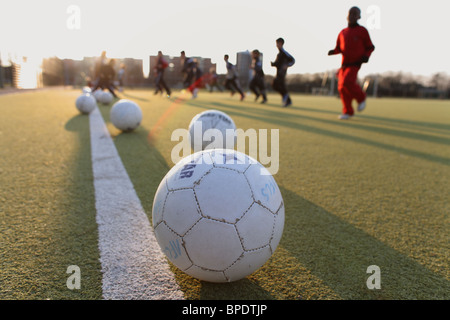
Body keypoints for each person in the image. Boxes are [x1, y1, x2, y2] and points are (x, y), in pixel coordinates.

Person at [328, 6, 375, 120]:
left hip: (355, 63)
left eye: (355, 14)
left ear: (359, 17)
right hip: (344, 64)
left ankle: (361, 98)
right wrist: (333, 52)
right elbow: (339, 48)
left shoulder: (362, 31)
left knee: (347, 81)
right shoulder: (342, 32)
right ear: (347, 16)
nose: (352, 16)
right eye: (350, 13)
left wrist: (366, 56)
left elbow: (370, 47)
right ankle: (348, 111)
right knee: (341, 87)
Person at [271, 38, 295, 107]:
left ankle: (285, 96)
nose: (276, 45)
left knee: (276, 84)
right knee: (279, 86)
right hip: (278, 72)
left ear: (281, 43)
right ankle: (288, 100)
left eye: (277, 43)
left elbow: (293, 60)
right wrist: (273, 64)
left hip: (282, 73)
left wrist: (287, 65)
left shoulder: (284, 53)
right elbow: (277, 64)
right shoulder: (279, 54)